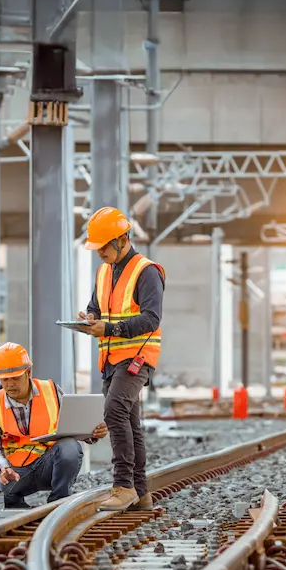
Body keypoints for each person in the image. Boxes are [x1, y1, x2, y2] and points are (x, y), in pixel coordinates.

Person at [78, 207, 165, 512]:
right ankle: (140, 492)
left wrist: (110, 329)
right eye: (97, 247)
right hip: (111, 359)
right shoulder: (104, 271)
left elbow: (151, 319)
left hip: (137, 357)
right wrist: (90, 318)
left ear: (122, 239)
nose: (100, 252)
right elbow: (96, 307)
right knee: (129, 421)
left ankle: (123, 485)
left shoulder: (147, 271)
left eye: (104, 246)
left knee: (114, 411)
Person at [0, 342, 108, 509]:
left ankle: (59, 501)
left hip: (49, 465)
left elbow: (73, 424)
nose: (10, 384)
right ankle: (16, 506)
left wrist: (93, 433)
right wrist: (3, 469)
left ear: (28, 372)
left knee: (70, 447)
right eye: (5, 379)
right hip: (16, 471)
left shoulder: (51, 391)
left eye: (15, 378)